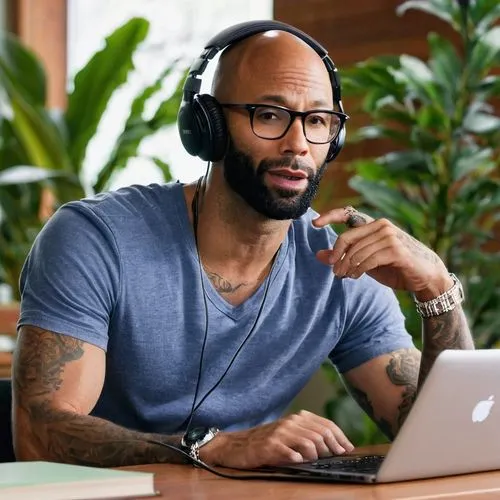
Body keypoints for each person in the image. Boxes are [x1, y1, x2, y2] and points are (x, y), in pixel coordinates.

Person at [12, 20, 474, 469]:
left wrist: (437, 290)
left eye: (317, 120)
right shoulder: (95, 239)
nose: (298, 144)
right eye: (269, 115)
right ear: (206, 126)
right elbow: (38, 433)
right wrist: (207, 448)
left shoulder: (340, 266)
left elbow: (448, 441)